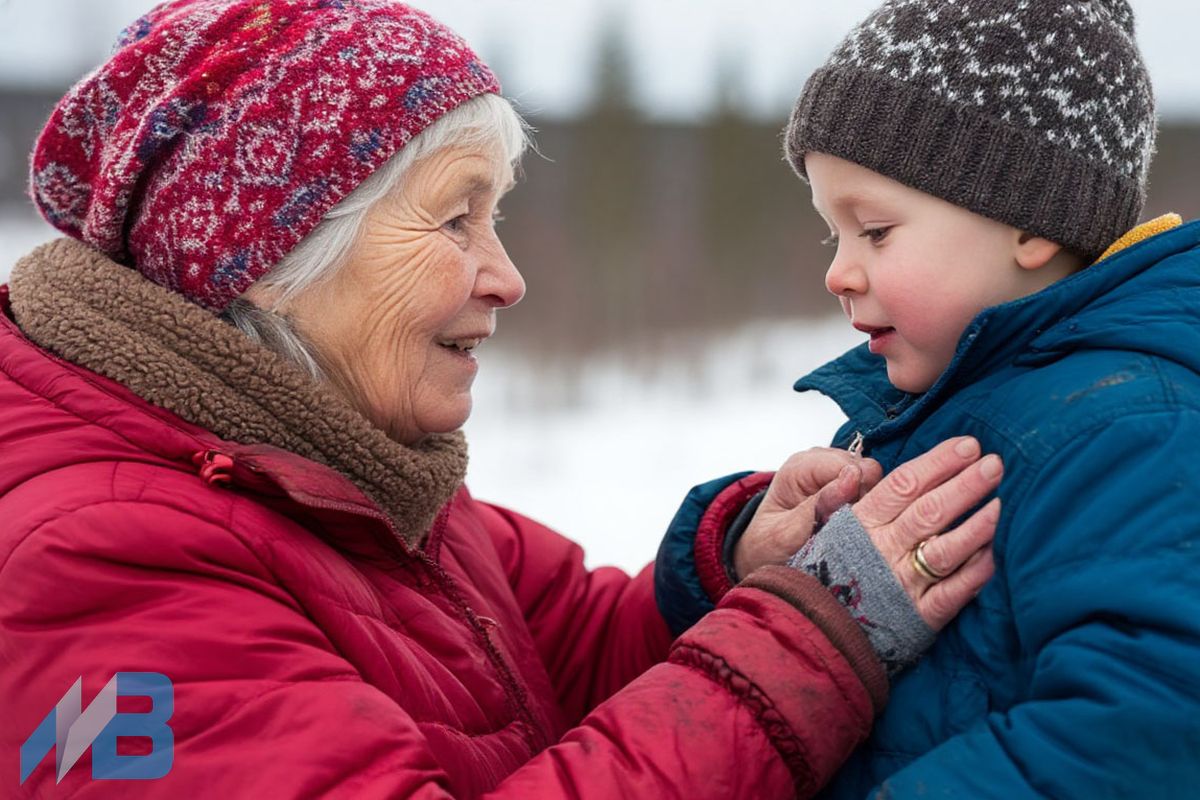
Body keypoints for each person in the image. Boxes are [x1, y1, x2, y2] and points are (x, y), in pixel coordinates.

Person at [0, 1, 1002, 797]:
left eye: (500, 215)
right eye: (454, 219)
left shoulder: (347, 474)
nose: (507, 276)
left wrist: (741, 567)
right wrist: (811, 637)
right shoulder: (96, 563)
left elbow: (562, 656)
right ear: (266, 260)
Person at [678, 0, 1200, 796]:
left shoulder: (1128, 430)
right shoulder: (929, 402)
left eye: (875, 231)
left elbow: (1143, 730)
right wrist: (746, 557)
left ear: (1032, 220)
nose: (838, 272)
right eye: (833, 234)